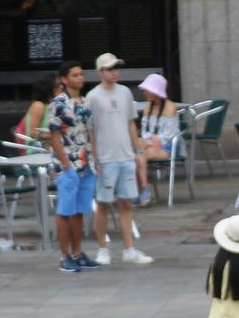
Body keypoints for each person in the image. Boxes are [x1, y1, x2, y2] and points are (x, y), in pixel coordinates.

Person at [86, 52, 153, 266]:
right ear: (100, 72)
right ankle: (103, 249)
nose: (115, 72)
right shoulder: (93, 97)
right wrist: (94, 157)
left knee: (126, 203)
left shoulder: (125, 93)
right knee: (103, 203)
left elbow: (131, 123)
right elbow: (91, 130)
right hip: (105, 158)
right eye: (109, 68)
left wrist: (138, 152)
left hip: (125, 156)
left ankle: (129, 248)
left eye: (116, 68)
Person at [48, 60, 100, 272]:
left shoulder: (86, 102)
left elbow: (90, 131)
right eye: (75, 75)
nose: (80, 78)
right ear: (64, 79)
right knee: (65, 211)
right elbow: (54, 135)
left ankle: (78, 253)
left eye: (81, 74)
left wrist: (94, 156)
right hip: (68, 164)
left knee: (80, 210)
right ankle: (64, 255)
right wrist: (66, 163)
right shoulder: (59, 103)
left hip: (86, 162)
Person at [134, 72, 179, 206]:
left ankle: (139, 191)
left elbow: (169, 135)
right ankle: (144, 189)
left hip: (166, 147)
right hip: (148, 146)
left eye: (146, 90)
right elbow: (144, 130)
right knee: (138, 150)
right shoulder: (148, 107)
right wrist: (150, 139)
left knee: (137, 153)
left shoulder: (170, 108)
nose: (144, 92)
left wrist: (154, 138)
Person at [17, 74, 59, 145]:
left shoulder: (55, 105)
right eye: (58, 85)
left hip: (52, 146)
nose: (62, 87)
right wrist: (55, 136)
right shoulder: (38, 106)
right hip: (37, 149)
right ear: (49, 88)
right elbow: (32, 133)